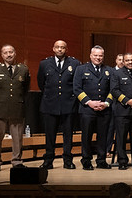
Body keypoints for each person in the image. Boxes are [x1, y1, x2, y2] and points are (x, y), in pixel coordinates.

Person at [0, 44, 31, 172]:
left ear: (15, 53)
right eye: (5, 53)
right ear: (2, 55)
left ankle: (17, 161)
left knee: (17, 138)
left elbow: (25, 89)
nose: (8, 55)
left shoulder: (23, 69)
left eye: (11, 52)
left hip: (17, 108)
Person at [38, 40, 81, 170]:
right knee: (50, 135)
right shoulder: (44, 63)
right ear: (53, 49)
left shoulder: (74, 63)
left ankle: (68, 160)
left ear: (66, 49)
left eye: (62, 47)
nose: (60, 49)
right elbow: (41, 83)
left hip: (68, 104)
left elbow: (76, 83)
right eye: (57, 47)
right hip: (50, 104)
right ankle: (48, 160)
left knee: (68, 135)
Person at [74, 45, 114, 170]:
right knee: (86, 136)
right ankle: (86, 160)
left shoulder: (109, 70)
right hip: (87, 109)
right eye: (95, 55)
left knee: (103, 136)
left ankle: (101, 160)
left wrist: (106, 103)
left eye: (100, 55)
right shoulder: (81, 69)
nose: (98, 58)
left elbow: (113, 90)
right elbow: (76, 88)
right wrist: (89, 102)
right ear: (91, 56)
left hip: (104, 109)